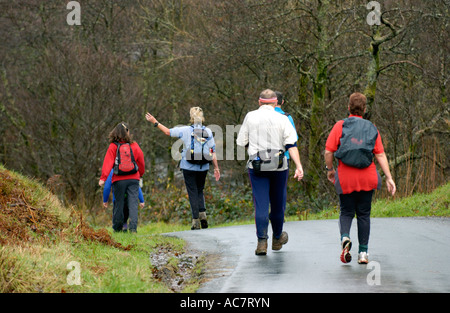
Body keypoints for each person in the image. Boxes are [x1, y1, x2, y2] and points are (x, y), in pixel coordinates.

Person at [324, 92, 396, 264]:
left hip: (346, 177)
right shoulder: (372, 128)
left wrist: (330, 169)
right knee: (364, 214)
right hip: (367, 177)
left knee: (346, 211)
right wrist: (389, 178)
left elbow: (328, 151)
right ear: (364, 109)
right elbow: (380, 155)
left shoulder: (340, 126)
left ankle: (345, 237)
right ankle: (363, 253)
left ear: (348, 107)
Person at [237, 89, 304, 256]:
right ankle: (276, 238)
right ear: (275, 103)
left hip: (257, 166)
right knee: (278, 203)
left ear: (259, 102)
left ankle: (261, 242)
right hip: (279, 167)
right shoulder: (282, 118)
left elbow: (241, 141)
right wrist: (299, 166)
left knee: (261, 203)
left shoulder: (250, 116)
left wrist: (253, 151)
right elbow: (291, 145)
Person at [145, 107, 220, 230]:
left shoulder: (185, 130)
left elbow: (168, 132)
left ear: (191, 117)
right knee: (200, 190)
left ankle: (195, 221)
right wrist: (216, 168)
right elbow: (213, 151)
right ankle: (203, 215)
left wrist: (155, 122)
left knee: (192, 192)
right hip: (203, 166)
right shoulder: (208, 131)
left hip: (188, 166)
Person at [99, 122, 145, 233]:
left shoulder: (113, 146)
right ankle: (133, 229)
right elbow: (141, 161)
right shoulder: (134, 145)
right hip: (133, 178)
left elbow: (108, 163)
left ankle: (117, 228)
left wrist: (103, 178)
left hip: (118, 179)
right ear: (127, 133)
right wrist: (140, 174)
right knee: (133, 204)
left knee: (118, 203)